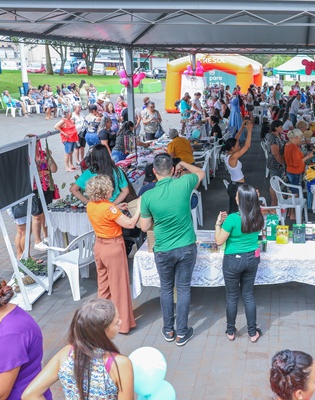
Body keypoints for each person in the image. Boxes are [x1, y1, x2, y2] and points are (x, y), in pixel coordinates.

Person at [139, 154, 205, 346]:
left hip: (163, 249)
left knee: (166, 289)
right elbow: (200, 172)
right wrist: (182, 163)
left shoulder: (148, 196)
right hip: (186, 246)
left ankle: (168, 329)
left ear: (154, 171)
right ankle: (182, 332)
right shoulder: (183, 183)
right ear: (173, 169)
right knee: (183, 289)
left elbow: (144, 227)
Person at [21, 299, 134, 400]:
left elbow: (29, 394)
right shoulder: (119, 364)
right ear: (101, 332)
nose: (121, 322)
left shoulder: (65, 354)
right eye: (116, 322)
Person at [84, 175, 139, 334]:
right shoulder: (109, 208)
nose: (112, 190)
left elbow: (105, 213)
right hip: (113, 247)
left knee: (104, 285)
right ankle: (123, 324)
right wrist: (139, 209)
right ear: (105, 190)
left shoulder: (91, 206)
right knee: (119, 286)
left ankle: (101, 320)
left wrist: (117, 208)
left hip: (99, 246)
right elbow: (129, 223)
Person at [214, 184, 265, 343]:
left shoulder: (232, 219)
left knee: (231, 297)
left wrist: (217, 224)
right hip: (252, 258)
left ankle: (230, 331)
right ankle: (252, 332)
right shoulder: (259, 216)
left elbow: (219, 241)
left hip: (233, 260)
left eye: (237, 195)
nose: (235, 196)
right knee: (248, 295)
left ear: (241, 199)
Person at [223, 120, 254, 213]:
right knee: (234, 211)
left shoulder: (227, 154)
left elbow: (235, 139)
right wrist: (249, 130)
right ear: (232, 148)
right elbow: (247, 146)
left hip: (235, 185)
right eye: (237, 146)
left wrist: (241, 128)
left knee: (237, 210)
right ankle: (229, 227)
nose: (239, 146)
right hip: (236, 186)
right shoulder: (233, 158)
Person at [284, 129, 314, 198]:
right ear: (296, 138)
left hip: (290, 170)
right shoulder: (293, 147)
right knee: (295, 192)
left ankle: (291, 207)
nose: (300, 140)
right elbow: (297, 162)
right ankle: (294, 207)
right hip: (295, 172)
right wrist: (308, 156)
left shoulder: (288, 144)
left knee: (291, 190)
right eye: (300, 138)